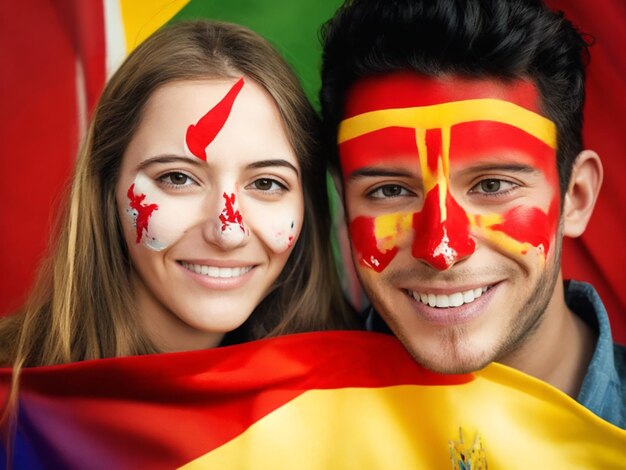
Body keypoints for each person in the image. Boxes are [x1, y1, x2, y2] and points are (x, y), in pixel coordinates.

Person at [320, 0, 625, 428]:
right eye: (389, 191)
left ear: (576, 196)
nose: (441, 249)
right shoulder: (273, 436)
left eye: (492, 185)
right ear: (344, 204)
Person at [0, 19, 357, 373]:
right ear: (105, 187)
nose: (227, 232)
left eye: (265, 184)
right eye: (178, 178)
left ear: (307, 200)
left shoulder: (350, 396)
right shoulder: (12, 399)